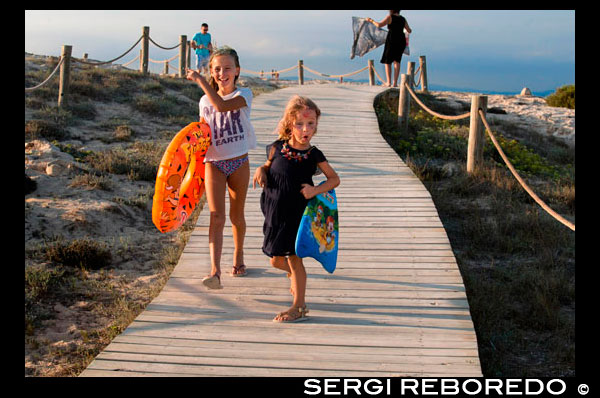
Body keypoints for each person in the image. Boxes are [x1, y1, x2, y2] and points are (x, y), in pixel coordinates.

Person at [252, 96, 340, 323]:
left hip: (297, 214)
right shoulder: (276, 147)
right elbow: (267, 166)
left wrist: (315, 189)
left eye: (311, 124)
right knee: (275, 259)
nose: (305, 129)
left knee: (293, 258)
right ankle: (295, 279)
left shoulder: (313, 155)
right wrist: (260, 171)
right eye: (300, 124)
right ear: (290, 124)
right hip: (274, 212)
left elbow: (334, 179)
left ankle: (298, 306)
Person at [186, 46, 256, 289]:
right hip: (213, 162)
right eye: (216, 69)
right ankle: (215, 272)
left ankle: (238, 256)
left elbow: (222, 107)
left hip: (239, 161)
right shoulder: (204, 100)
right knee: (216, 216)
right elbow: (204, 132)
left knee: (237, 216)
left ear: (237, 70)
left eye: (227, 68)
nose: (222, 73)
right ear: (211, 71)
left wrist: (200, 81)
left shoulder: (244, 94)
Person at [366, 10, 412, 87]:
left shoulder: (390, 17)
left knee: (388, 61)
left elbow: (379, 25)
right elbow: (409, 30)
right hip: (401, 40)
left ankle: (389, 82)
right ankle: (395, 83)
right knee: (397, 61)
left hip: (392, 40)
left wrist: (371, 20)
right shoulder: (403, 19)